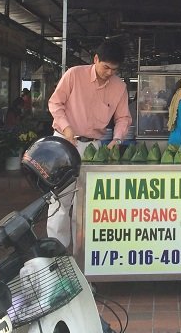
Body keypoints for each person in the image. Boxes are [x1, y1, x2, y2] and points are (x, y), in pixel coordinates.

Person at [47, 40, 132, 250]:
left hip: (93, 148)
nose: (109, 73)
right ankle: (56, 253)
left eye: (114, 69)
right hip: (65, 143)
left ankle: (81, 255)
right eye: (106, 67)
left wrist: (117, 139)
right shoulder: (74, 74)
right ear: (95, 59)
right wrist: (66, 128)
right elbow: (55, 103)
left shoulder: (119, 87)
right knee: (60, 201)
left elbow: (123, 118)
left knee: (86, 204)